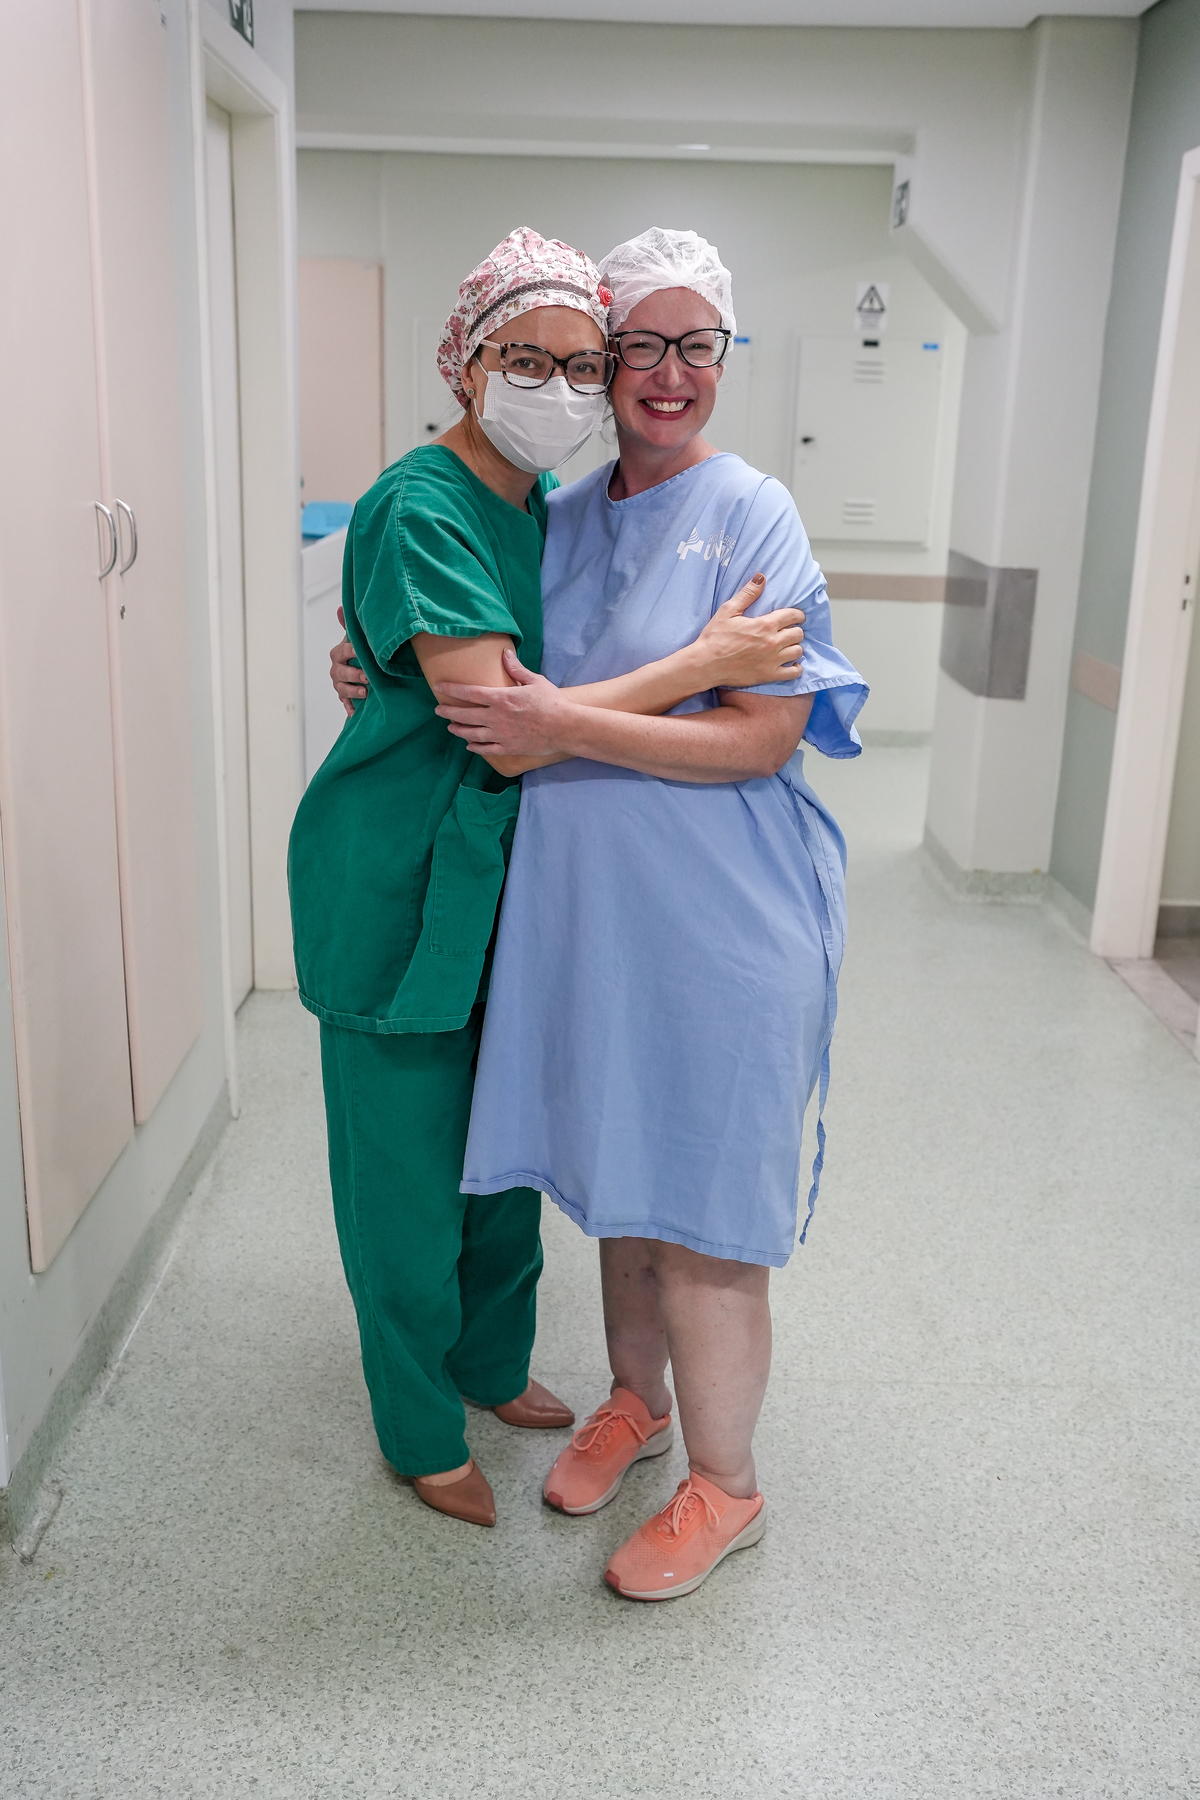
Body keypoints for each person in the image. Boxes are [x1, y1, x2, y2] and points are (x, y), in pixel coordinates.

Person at [295, 228, 809, 1529]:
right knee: (406, 1183)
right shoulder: (438, 503)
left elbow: (711, 716)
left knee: (502, 1161)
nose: (568, 387)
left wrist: (384, 663)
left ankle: (491, 1365)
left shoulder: (546, 510)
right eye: (533, 359)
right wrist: (700, 666)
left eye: (583, 363)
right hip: (405, 887)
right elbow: (505, 718)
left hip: (524, 897)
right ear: (464, 362)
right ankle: (422, 1428)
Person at [434, 227, 867, 1595]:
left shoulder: (754, 513)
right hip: (597, 934)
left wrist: (567, 726)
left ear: (725, 355)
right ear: (602, 358)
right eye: (641, 345)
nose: (669, 373)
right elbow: (474, 661)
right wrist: (371, 656)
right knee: (624, 1186)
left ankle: (727, 1488)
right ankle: (639, 1401)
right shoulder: (554, 520)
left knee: (704, 1218)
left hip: (722, 930)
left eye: (698, 345)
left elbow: (760, 737)